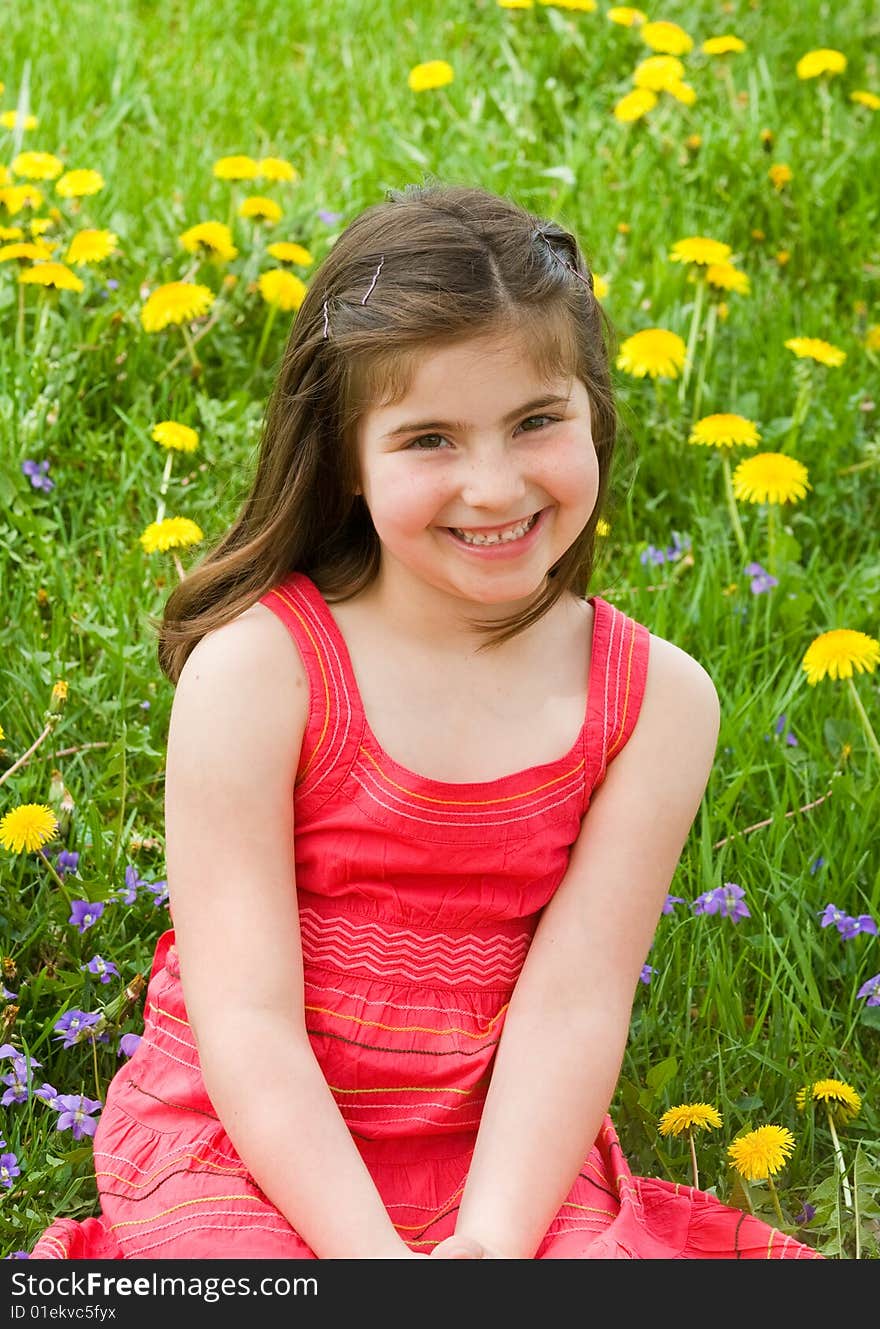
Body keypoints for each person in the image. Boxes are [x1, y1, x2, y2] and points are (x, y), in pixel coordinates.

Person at [31, 182, 820, 1260]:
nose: (491, 487)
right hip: (246, 1139)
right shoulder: (263, 672)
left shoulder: (653, 700)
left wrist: (490, 1245)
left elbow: (573, 1008)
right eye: (429, 439)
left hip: (496, 1149)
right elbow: (246, 1023)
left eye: (536, 422)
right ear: (347, 460)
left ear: (597, 413)